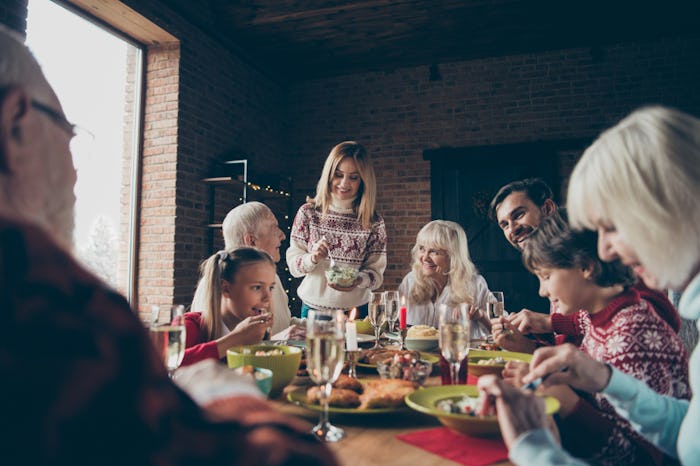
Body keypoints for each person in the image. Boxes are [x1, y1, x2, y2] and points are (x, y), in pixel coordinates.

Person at [0, 24, 336, 466]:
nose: (77, 172)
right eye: (68, 131)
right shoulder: (46, 300)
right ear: (15, 122)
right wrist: (223, 390)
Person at [479, 105, 700, 465]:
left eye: (612, 226)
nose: (605, 249)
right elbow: (688, 437)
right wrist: (604, 379)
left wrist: (533, 445)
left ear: (672, 203)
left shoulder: (636, 319)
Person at [507, 215, 689, 465]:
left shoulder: (630, 338)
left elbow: (642, 458)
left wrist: (567, 403)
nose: (542, 291)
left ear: (586, 267)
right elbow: (579, 324)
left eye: (546, 276)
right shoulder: (599, 313)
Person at [286, 141, 386, 318]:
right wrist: (313, 258)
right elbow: (294, 267)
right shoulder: (308, 213)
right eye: (338, 175)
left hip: (357, 311)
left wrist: (357, 280)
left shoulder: (373, 222)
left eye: (354, 177)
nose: (344, 183)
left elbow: (376, 276)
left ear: (363, 180)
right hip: (314, 310)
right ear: (329, 174)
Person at [192, 201, 304, 338]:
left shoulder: (271, 278)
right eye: (275, 228)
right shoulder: (214, 285)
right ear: (251, 241)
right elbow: (220, 349)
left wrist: (323, 326)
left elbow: (284, 326)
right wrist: (277, 341)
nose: (282, 235)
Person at [182, 247, 276, 366]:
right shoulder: (191, 325)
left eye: (271, 288)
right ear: (226, 289)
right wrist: (235, 339)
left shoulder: (260, 334)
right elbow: (165, 364)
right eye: (257, 287)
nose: (267, 297)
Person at [398, 220, 492, 339]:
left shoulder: (475, 284)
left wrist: (481, 316)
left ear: (453, 256)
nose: (425, 258)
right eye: (422, 248)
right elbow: (394, 325)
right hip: (415, 356)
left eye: (434, 252)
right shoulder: (410, 280)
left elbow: (502, 331)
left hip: (459, 355)